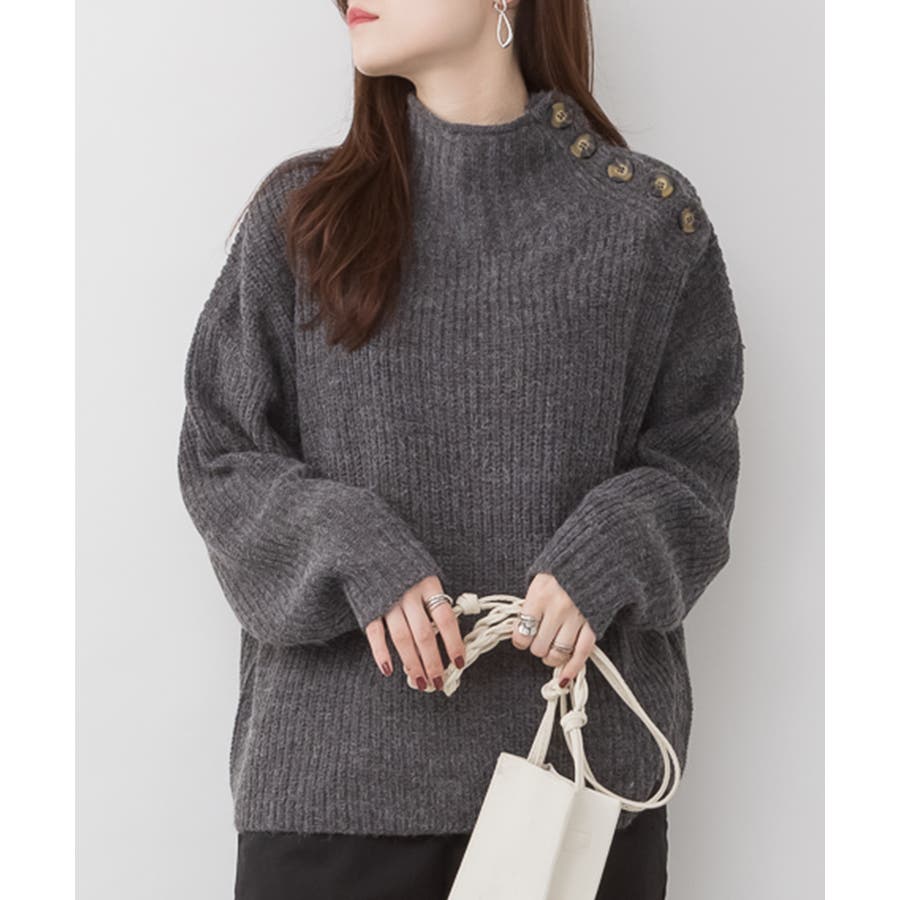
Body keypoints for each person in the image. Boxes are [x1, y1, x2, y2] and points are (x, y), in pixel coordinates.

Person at [176, 1, 745, 897]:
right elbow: (220, 456)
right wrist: (355, 546)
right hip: (332, 803)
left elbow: (695, 466)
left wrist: (610, 550)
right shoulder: (302, 220)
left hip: (574, 793)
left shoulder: (646, 224)